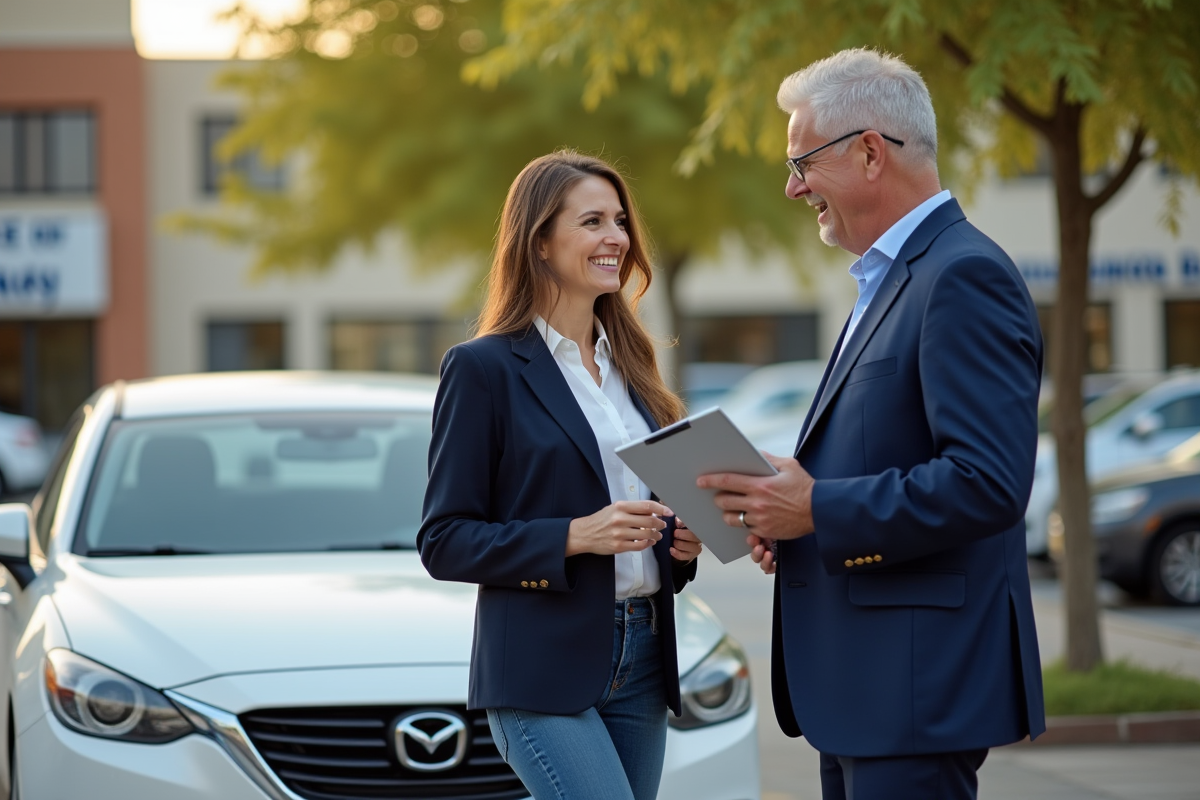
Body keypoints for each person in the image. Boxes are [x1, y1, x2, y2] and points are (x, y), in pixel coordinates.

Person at [696, 49, 1046, 800]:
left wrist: (815, 507)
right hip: (867, 694)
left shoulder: (962, 276)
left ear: (868, 152)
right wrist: (790, 512)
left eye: (802, 164)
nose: (793, 188)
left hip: (912, 694)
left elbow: (988, 483)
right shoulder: (895, 277)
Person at [419, 150, 703, 800]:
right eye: (593, 221)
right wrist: (576, 536)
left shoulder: (633, 369)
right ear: (540, 242)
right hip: (542, 667)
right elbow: (445, 540)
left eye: (621, 221)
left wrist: (679, 544)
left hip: (643, 657)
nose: (617, 239)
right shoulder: (482, 370)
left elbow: (647, 525)